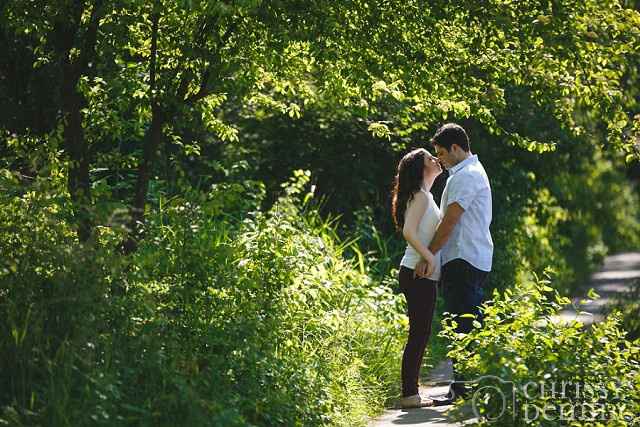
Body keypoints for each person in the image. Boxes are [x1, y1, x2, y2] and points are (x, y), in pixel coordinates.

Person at [415, 123, 493, 404]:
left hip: (464, 258)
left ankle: (463, 391)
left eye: (442, 153)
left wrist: (428, 254)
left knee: (464, 324)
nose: (439, 160)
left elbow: (450, 221)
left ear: (456, 148)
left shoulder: (466, 175)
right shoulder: (465, 173)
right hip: (466, 257)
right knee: (464, 321)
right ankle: (465, 388)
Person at [391, 147, 443, 408]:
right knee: (419, 334)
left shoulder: (426, 195)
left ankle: (412, 391)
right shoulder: (421, 197)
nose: (437, 160)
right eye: (430, 158)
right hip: (416, 272)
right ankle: (410, 394)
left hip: (419, 274)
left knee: (421, 333)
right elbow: (409, 232)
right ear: (422, 168)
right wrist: (429, 257)